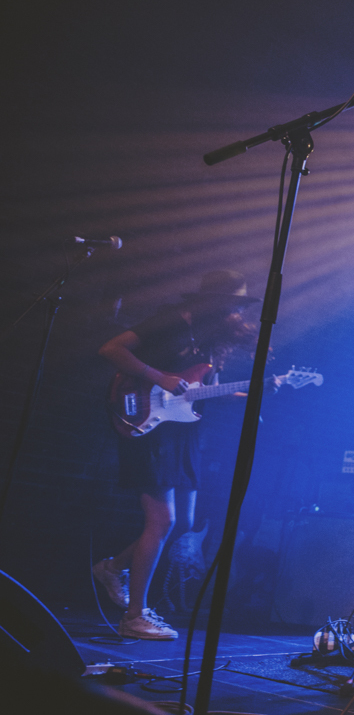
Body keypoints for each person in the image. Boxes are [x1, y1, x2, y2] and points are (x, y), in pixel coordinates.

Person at [93, 270, 258, 640]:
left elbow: (197, 392)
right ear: (213, 300)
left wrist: (255, 393)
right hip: (147, 424)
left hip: (181, 431)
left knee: (183, 521)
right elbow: (111, 349)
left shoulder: (211, 343)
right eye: (232, 305)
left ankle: (111, 568)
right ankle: (134, 616)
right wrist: (158, 375)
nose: (236, 313)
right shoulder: (169, 322)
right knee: (163, 521)